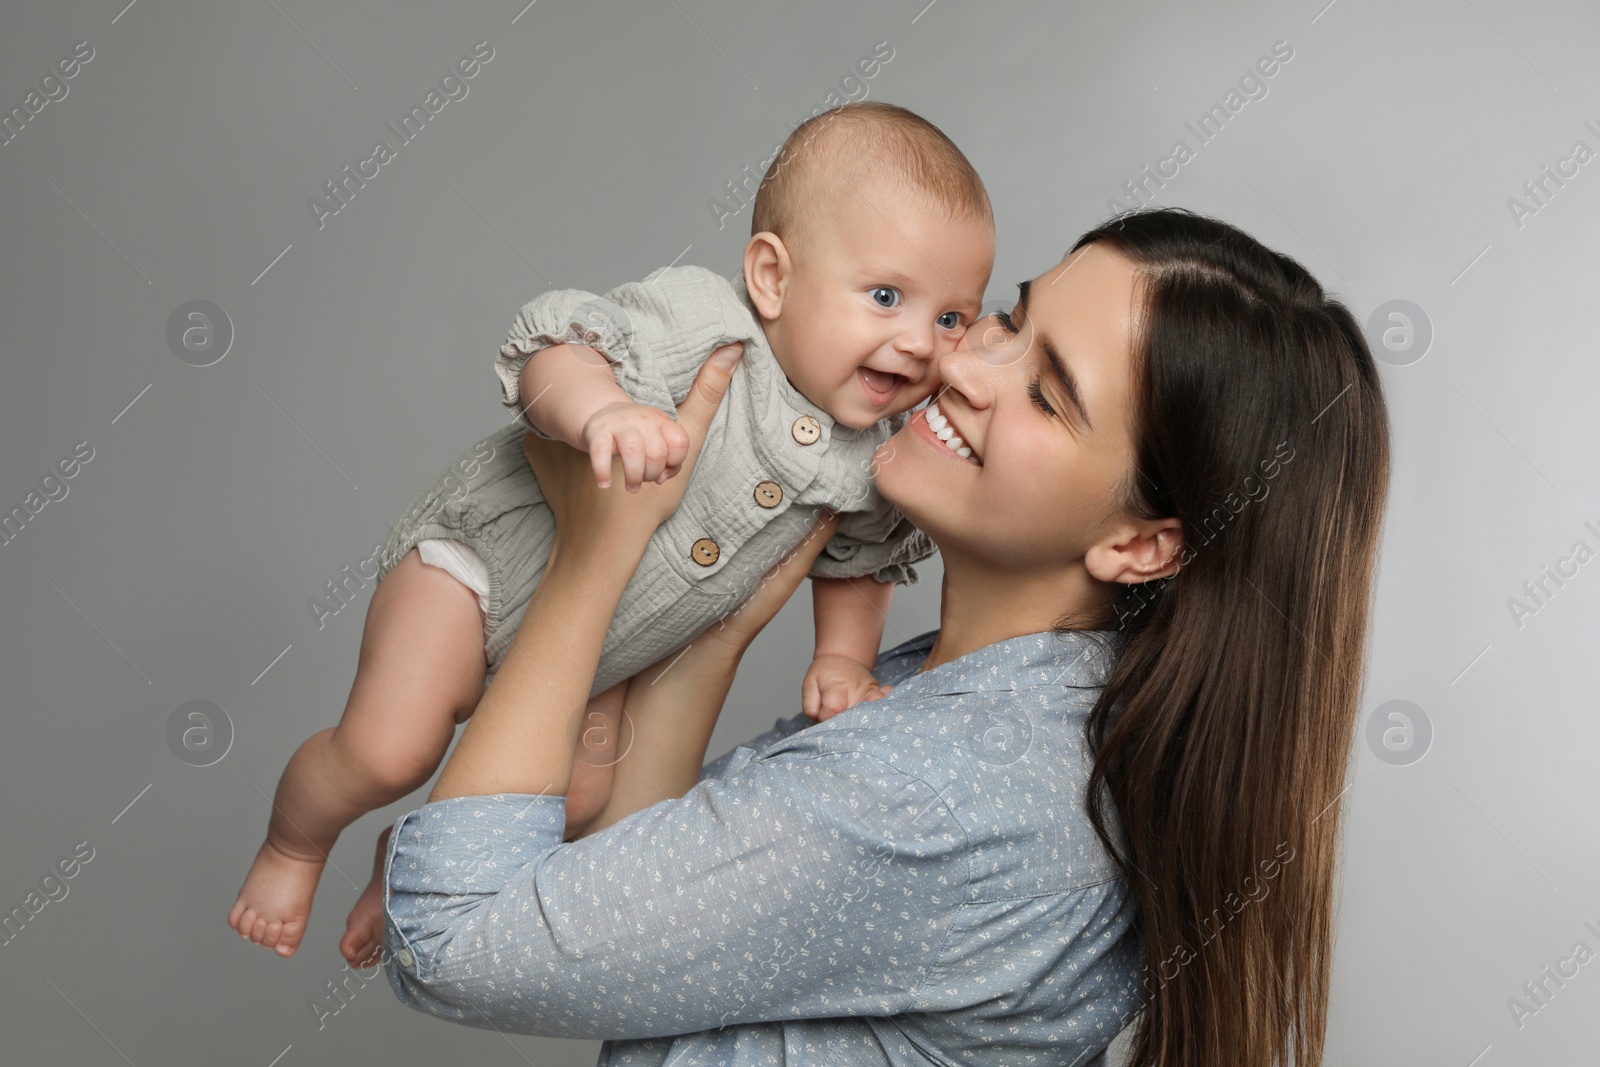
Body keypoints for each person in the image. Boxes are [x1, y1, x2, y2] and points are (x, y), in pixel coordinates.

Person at [378, 207, 1392, 1067]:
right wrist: (717, 636)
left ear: (1142, 542)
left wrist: (592, 562)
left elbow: (449, 940)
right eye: (1010, 318)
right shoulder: (1013, 704)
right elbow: (628, 904)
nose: (961, 360)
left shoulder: (940, 786)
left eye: (1044, 392)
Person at [227, 102, 995, 965]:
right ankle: (294, 843)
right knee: (384, 748)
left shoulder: (873, 458)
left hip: (603, 654)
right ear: (773, 277)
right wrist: (603, 414)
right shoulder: (709, 325)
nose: (919, 343)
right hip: (480, 572)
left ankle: (403, 858)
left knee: (577, 800)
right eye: (887, 296)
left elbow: (856, 560)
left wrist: (843, 661)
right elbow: (554, 346)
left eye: (953, 318)